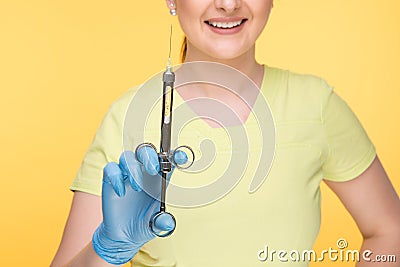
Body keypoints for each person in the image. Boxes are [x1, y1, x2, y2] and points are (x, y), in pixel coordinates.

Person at [51, 0, 400, 266]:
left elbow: (389, 230)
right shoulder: (128, 116)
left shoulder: (316, 105)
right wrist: (108, 248)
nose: (229, 4)